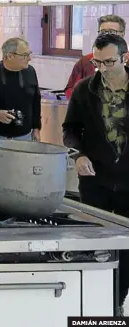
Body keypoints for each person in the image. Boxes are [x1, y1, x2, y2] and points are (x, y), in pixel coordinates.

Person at [62, 33, 129, 313]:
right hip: (95, 179)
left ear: (124, 58)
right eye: (97, 62)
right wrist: (78, 155)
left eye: (110, 62)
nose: (103, 68)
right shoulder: (84, 89)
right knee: (95, 244)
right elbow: (70, 130)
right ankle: (98, 307)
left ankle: (116, 305)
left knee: (126, 248)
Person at [64, 15, 125, 99]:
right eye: (103, 32)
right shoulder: (85, 61)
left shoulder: (127, 60)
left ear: (122, 34)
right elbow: (70, 89)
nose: (107, 36)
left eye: (112, 32)